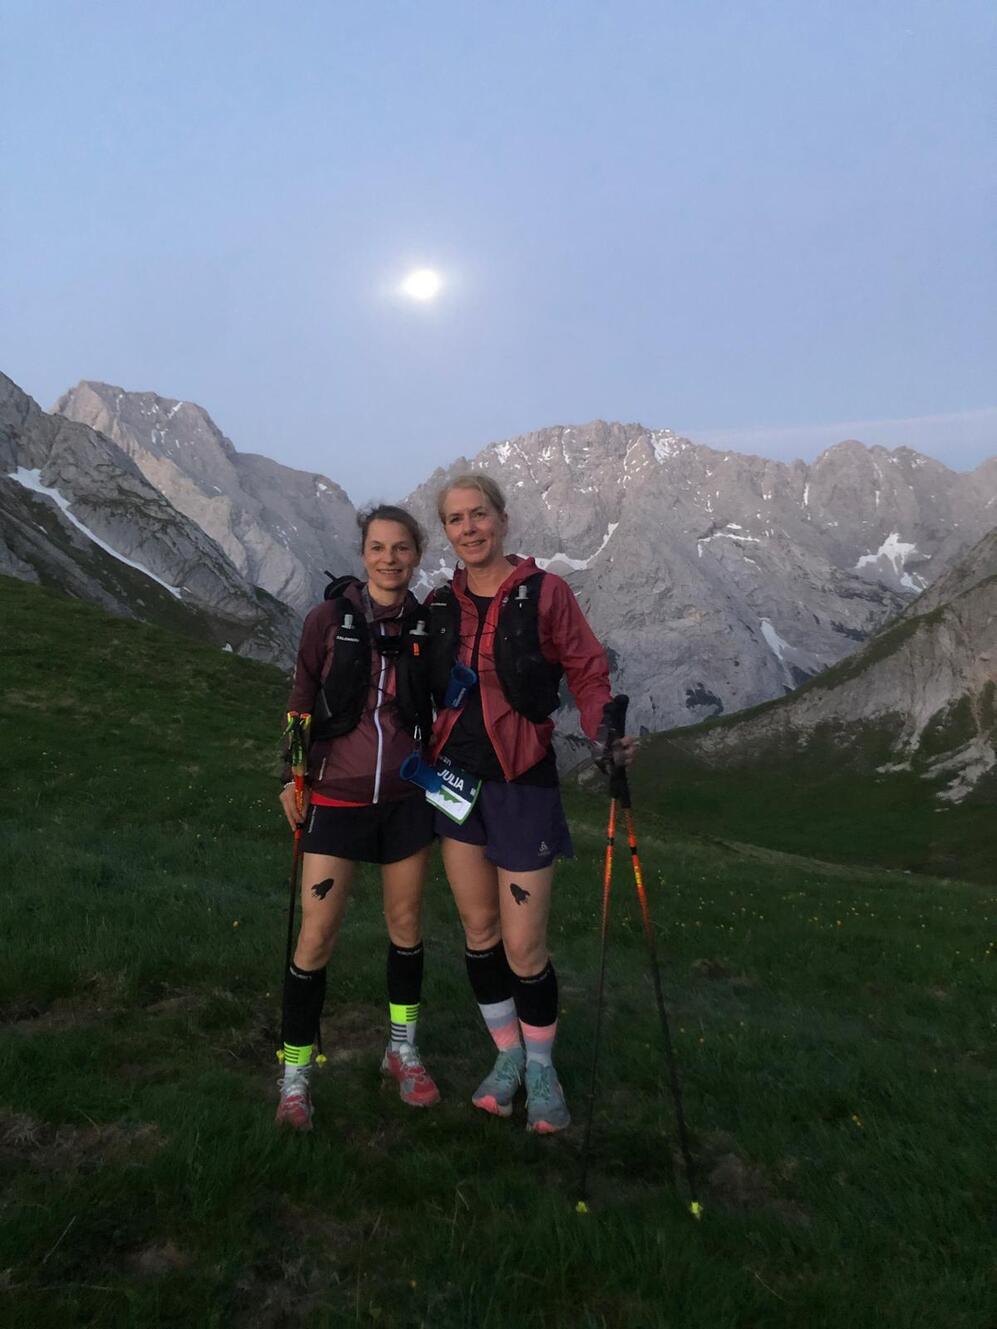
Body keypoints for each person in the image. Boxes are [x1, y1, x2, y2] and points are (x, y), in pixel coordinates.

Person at [424, 473, 633, 1133]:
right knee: (479, 932)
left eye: (477, 515)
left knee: (523, 945)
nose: (468, 528)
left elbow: (586, 668)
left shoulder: (546, 592)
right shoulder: (438, 603)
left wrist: (602, 726)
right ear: (447, 529)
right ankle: (507, 1058)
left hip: (524, 784)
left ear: (502, 519)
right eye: (455, 519)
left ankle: (541, 1070)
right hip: (454, 785)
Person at [275, 505, 439, 1130]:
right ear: (362, 553)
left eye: (401, 549)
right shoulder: (328, 620)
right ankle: (295, 1076)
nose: (389, 559)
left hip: (404, 802)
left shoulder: (428, 623)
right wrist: (291, 778)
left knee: (406, 925)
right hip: (337, 799)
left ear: (416, 554)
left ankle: (402, 1052)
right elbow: (299, 701)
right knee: (316, 936)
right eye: (378, 548)